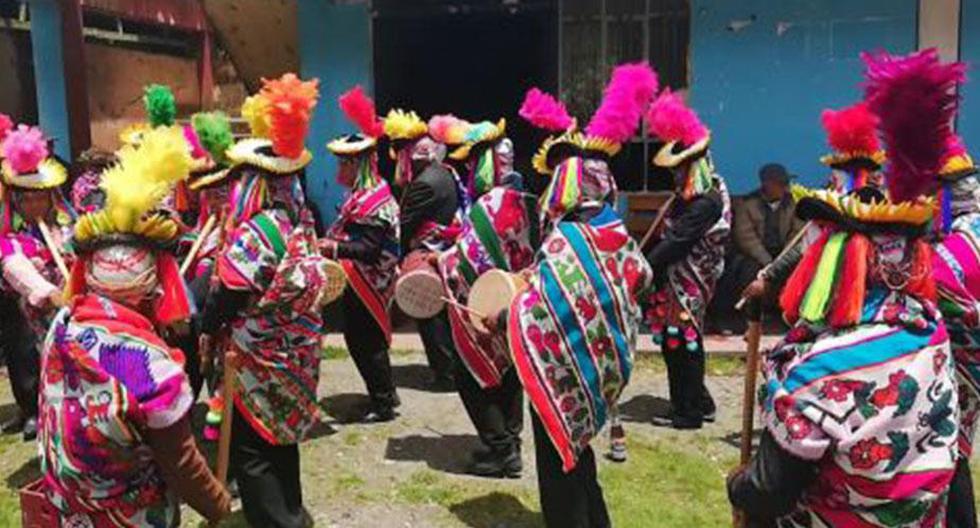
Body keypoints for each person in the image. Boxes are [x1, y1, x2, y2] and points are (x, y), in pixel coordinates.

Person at [728, 47, 961, 528]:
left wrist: (739, 484)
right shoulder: (930, 334)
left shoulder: (817, 371)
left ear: (838, 259)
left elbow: (769, 493)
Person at [482, 62, 657, 527]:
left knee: (559, 454)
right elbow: (640, 278)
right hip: (604, 366)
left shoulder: (566, 240)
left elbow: (541, 311)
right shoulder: (616, 231)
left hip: (562, 370)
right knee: (578, 448)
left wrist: (503, 318)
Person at [41, 126, 230, 526]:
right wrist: (217, 504)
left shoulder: (61, 324)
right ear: (156, 285)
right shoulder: (150, 365)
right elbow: (181, 463)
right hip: (131, 515)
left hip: (68, 507)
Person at [199, 73, 330, 528]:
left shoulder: (258, 232)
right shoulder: (300, 222)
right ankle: (290, 511)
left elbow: (231, 293)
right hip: (294, 357)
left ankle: (275, 520)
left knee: (254, 448)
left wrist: (204, 323)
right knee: (281, 439)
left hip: (255, 360)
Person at [876, 49, 980, 527]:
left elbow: (919, 292)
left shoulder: (951, 252)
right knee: (955, 453)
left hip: (955, 367)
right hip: (958, 368)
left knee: (948, 456)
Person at [437, 110, 536, 477]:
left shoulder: (487, 204)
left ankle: (500, 451)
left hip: (486, 303)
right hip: (513, 298)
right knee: (509, 372)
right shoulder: (521, 196)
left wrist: (440, 259)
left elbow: (469, 261)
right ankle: (510, 441)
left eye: (473, 162)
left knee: (474, 376)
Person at [644, 88, 731, 430]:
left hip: (690, 283)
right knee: (676, 342)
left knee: (682, 344)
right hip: (677, 281)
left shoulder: (705, 202)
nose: (675, 175)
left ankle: (688, 412)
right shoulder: (693, 198)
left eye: (680, 169)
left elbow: (677, 241)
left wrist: (643, 265)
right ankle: (698, 401)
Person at [741, 101, 886, 303]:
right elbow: (802, 248)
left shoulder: (885, 211)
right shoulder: (825, 211)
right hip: (829, 296)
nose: (833, 179)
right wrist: (769, 275)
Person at [322, 86, 401, 422]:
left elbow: (369, 250)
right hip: (360, 279)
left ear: (360, 163)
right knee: (360, 340)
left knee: (367, 342)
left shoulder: (374, 199)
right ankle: (381, 393)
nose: (340, 168)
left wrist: (333, 247)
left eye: (345, 162)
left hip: (371, 280)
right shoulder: (363, 192)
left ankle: (383, 402)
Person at [0, 123, 76, 441]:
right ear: (16, 202)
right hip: (36, 313)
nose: (34, 206)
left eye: (40, 199)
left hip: (72, 310)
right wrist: (50, 294)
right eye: (27, 200)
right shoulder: (11, 241)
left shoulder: (68, 227)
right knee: (30, 358)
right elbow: (17, 269)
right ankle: (38, 413)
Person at [397, 113, 469, 390]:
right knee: (441, 310)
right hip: (445, 250)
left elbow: (405, 225)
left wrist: (399, 254)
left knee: (429, 312)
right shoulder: (446, 172)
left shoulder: (424, 183)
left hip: (429, 253)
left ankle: (445, 374)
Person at [732, 164, 803, 294]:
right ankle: (748, 311)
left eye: (787, 183)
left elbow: (797, 233)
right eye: (781, 183)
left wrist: (782, 260)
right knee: (746, 272)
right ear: (766, 184)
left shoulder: (794, 203)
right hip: (757, 256)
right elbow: (746, 238)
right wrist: (767, 261)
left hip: (785, 253)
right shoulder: (747, 204)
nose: (786, 187)